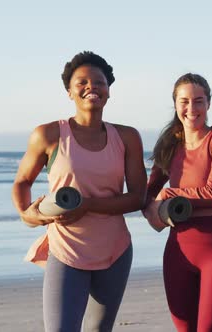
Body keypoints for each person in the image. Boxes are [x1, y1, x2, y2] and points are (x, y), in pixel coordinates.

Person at [11, 51, 147, 332]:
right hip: (66, 249)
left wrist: (88, 205)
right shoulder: (48, 134)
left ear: (108, 90)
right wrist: (27, 214)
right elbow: (22, 181)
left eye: (99, 82)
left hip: (115, 250)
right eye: (81, 82)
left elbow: (138, 197)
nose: (91, 87)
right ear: (69, 91)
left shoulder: (127, 137)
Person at [143, 73, 212, 331]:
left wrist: (169, 195)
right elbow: (147, 194)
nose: (191, 108)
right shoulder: (170, 146)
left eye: (198, 101)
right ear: (175, 104)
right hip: (177, 251)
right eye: (184, 101)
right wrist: (152, 211)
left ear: (208, 103)